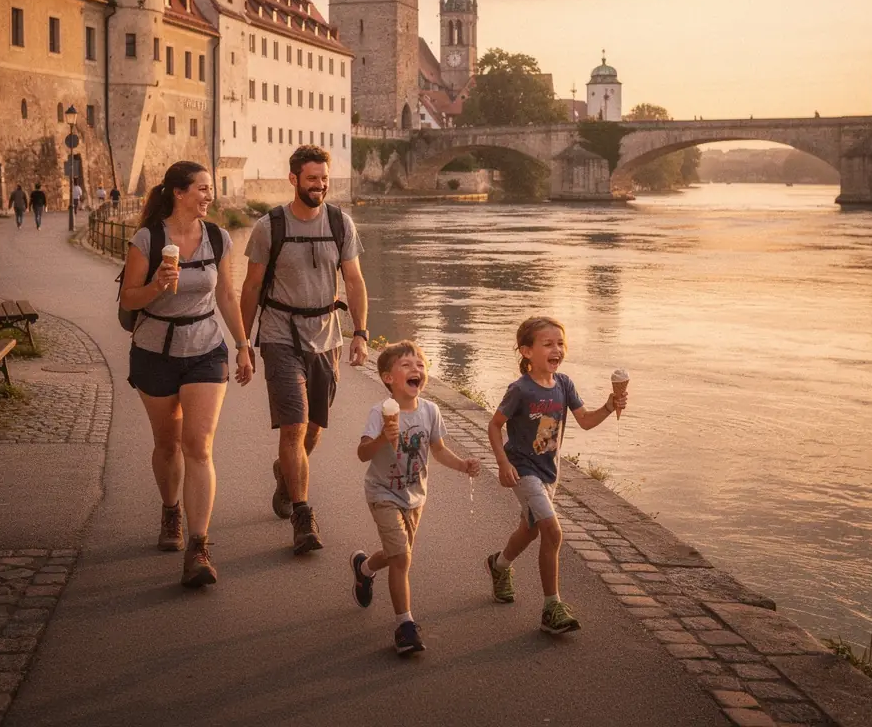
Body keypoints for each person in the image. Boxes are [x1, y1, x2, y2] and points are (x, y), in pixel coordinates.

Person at [119, 161, 254, 587]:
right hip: (154, 351)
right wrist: (158, 284)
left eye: (210, 189)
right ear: (178, 192)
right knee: (168, 442)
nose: (209, 196)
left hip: (204, 350)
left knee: (199, 445)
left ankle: (199, 546)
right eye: (202, 188)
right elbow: (129, 297)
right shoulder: (148, 239)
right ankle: (171, 511)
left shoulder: (218, 236)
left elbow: (228, 295)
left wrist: (243, 345)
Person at [239, 144, 369, 556]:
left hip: (327, 337)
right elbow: (251, 287)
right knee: (294, 427)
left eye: (325, 179)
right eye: (312, 179)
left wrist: (361, 332)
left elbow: (354, 281)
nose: (320, 186)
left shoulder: (340, 223)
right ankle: (302, 515)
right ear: (293, 179)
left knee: (313, 431)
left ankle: (285, 473)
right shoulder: (269, 227)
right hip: (280, 335)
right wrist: (243, 342)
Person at [485, 316, 628, 634]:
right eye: (547, 344)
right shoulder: (520, 390)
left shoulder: (564, 385)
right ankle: (552, 607)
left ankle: (499, 565)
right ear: (526, 351)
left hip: (550, 471)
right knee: (553, 533)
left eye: (560, 343)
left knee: (531, 529)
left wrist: (608, 405)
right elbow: (495, 425)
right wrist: (502, 463)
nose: (557, 349)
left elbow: (586, 421)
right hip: (523, 471)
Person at [350, 341, 481, 655]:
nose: (415, 370)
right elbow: (361, 453)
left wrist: (463, 465)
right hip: (382, 493)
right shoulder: (378, 412)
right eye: (406, 365)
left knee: (397, 554)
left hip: (415, 496)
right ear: (388, 378)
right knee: (403, 558)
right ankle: (405, 625)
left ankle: (365, 569)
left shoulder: (430, 411)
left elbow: (437, 450)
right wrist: (384, 436)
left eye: (420, 365)